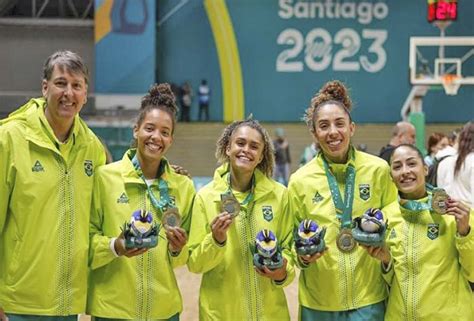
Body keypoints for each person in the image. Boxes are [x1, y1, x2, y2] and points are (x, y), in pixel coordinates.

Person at [0, 51, 106, 321]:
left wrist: (162, 176)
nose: (68, 93)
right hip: (17, 304)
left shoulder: (92, 148)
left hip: (67, 304)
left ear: (85, 93)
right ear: (45, 87)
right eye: (61, 83)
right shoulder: (9, 139)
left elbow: (102, 213)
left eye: (76, 85)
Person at [288, 80, 398, 320]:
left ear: (352, 128)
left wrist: (387, 255)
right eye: (323, 126)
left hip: (369, 300)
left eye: (340, 123)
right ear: (314, 133)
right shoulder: (299, 181)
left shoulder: (378, 170)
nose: (333, 132)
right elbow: (291, 242)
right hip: (318, 304)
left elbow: (396, 226)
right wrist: (302, 258)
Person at [87, 83, 196, 320]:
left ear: (171, 140)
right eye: (150, 128)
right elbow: (85, 243)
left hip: (164, 312)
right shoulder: (104, 178)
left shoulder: (183, 186)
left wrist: (178, 249)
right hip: (112, 311)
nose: (156, 137)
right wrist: (116, 246)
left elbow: (185, 256)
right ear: (136, 130)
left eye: (165, 132)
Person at [187, 118, 294, 320]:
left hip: (271, 315)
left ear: (262, 156)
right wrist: (216, 240)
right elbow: (195, 263)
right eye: (240, 143)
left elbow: (290, 252)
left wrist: (281, 272)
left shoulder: (280, 196)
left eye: (254, 146)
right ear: (228, 148)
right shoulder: (206, 197)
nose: (246, 150)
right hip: (220, 315)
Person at [364, 144, 473, 320]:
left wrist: (465, 233)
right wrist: (386, 262)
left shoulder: (454, 214)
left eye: (411, 163)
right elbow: (389, 282)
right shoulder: (385, 218)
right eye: (397, 167)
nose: (405, 171)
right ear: (391, 176)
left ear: (425, 169)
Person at [437, 122, 474, 207]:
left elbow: (441, 194)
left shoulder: (443, 163)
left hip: (447, 215)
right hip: (469, 215)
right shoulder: (472, 161)